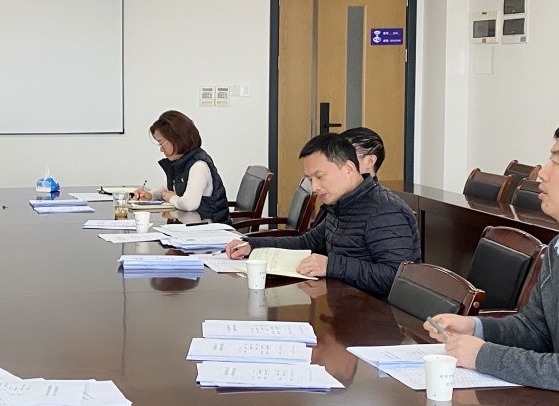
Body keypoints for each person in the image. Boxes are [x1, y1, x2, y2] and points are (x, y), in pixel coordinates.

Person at [426, 129, 559, 390]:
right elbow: (535, 329)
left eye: (556, 161)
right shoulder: (557, 248)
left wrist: (484, 356)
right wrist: (475, 327)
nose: (542, 173)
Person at [225, 132, 420, 299]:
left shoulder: (384, 211)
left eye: (320, 177)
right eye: (310, 179)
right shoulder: (342, 203)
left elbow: (396, 278)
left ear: (349, 169)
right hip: (347, 305)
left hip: (380, 319)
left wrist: (331, 265)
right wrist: (252, 245)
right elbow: (306, 243)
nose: (315, 187)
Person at [132, 110, 229, 222]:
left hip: (211, 229)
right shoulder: (181, 162)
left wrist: (172, 198)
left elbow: (189, 204)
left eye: (161, 143)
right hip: (191, 225)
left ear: (176, 139)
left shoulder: (199, 166)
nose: (161, 149)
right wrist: (150, 195)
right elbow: (167, 187)